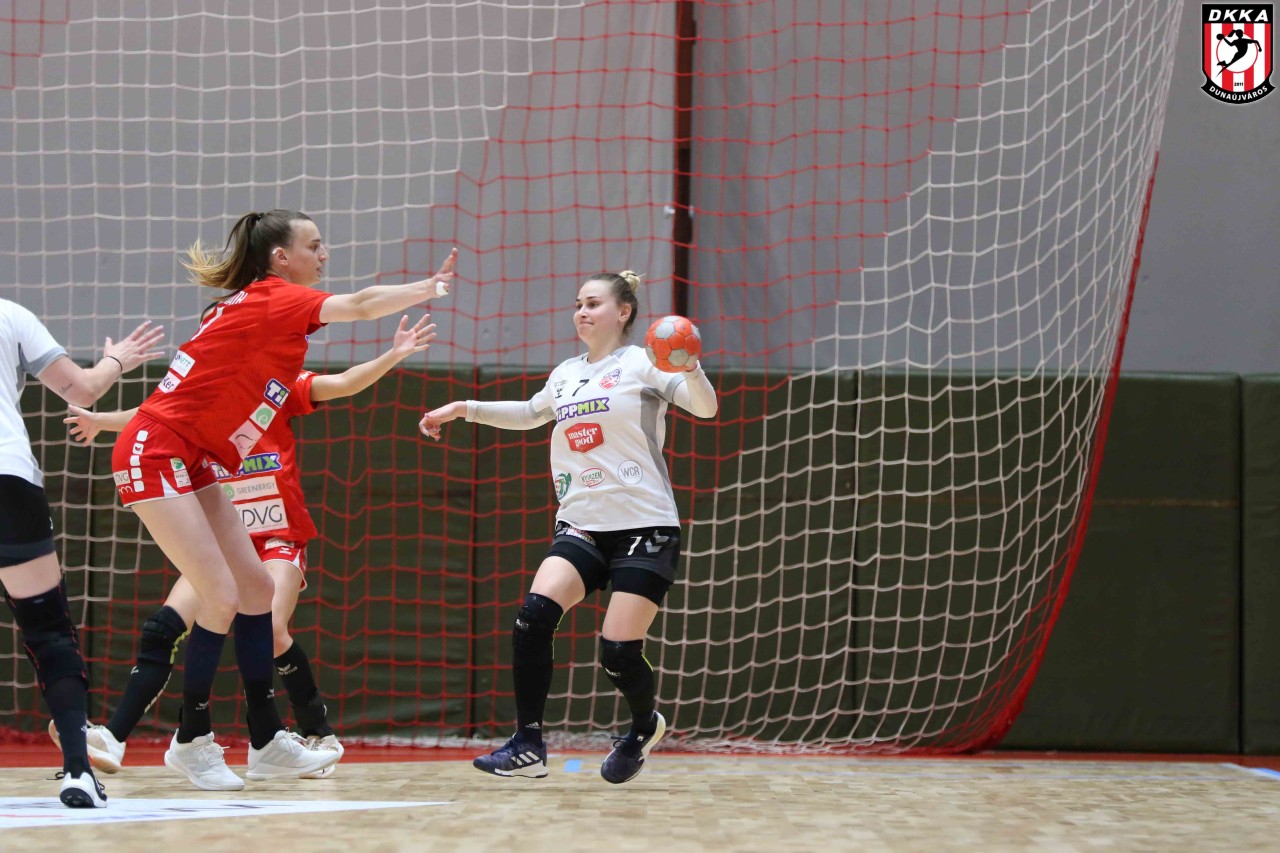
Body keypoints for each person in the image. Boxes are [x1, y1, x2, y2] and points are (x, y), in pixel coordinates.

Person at [107, 209, 455, 791]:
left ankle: (267, 740)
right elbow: (361, 305)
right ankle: (189, 740)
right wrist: (428, 287)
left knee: (257, 591)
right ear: (280, 257)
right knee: (219, 595)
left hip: (194, 457)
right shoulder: (274, 298)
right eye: (314, 245)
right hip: (158, 452)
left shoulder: (257, 324)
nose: (324, 255)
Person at [50, 314, 436, 783]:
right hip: (225, 536)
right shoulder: (210, 389)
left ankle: (315, 733)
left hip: (275, 536)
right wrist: (100, 421)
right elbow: (152, 415)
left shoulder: (278, 386)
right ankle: (115, 736)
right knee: (164, 627)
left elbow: (342, 382)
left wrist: (393, 354)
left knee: (269, 626)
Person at [419, 270, 717, 783]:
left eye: (593, 303)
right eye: (578, 303)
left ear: (623, 312)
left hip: (645, 525)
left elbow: (706, 409)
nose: (582, 312)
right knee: (533, 617)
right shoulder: (565, 373)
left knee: (618, 653)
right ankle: (528, 745)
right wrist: (463, 409)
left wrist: (689, 367)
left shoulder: (644, 362)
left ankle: (643, 726)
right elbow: (529, 413)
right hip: (582, 523)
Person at [0, 300, 164, 807]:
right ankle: (78, 771)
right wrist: (117, 360)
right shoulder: (9, 315)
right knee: (49, 632)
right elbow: (83, 390)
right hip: (7, 480)